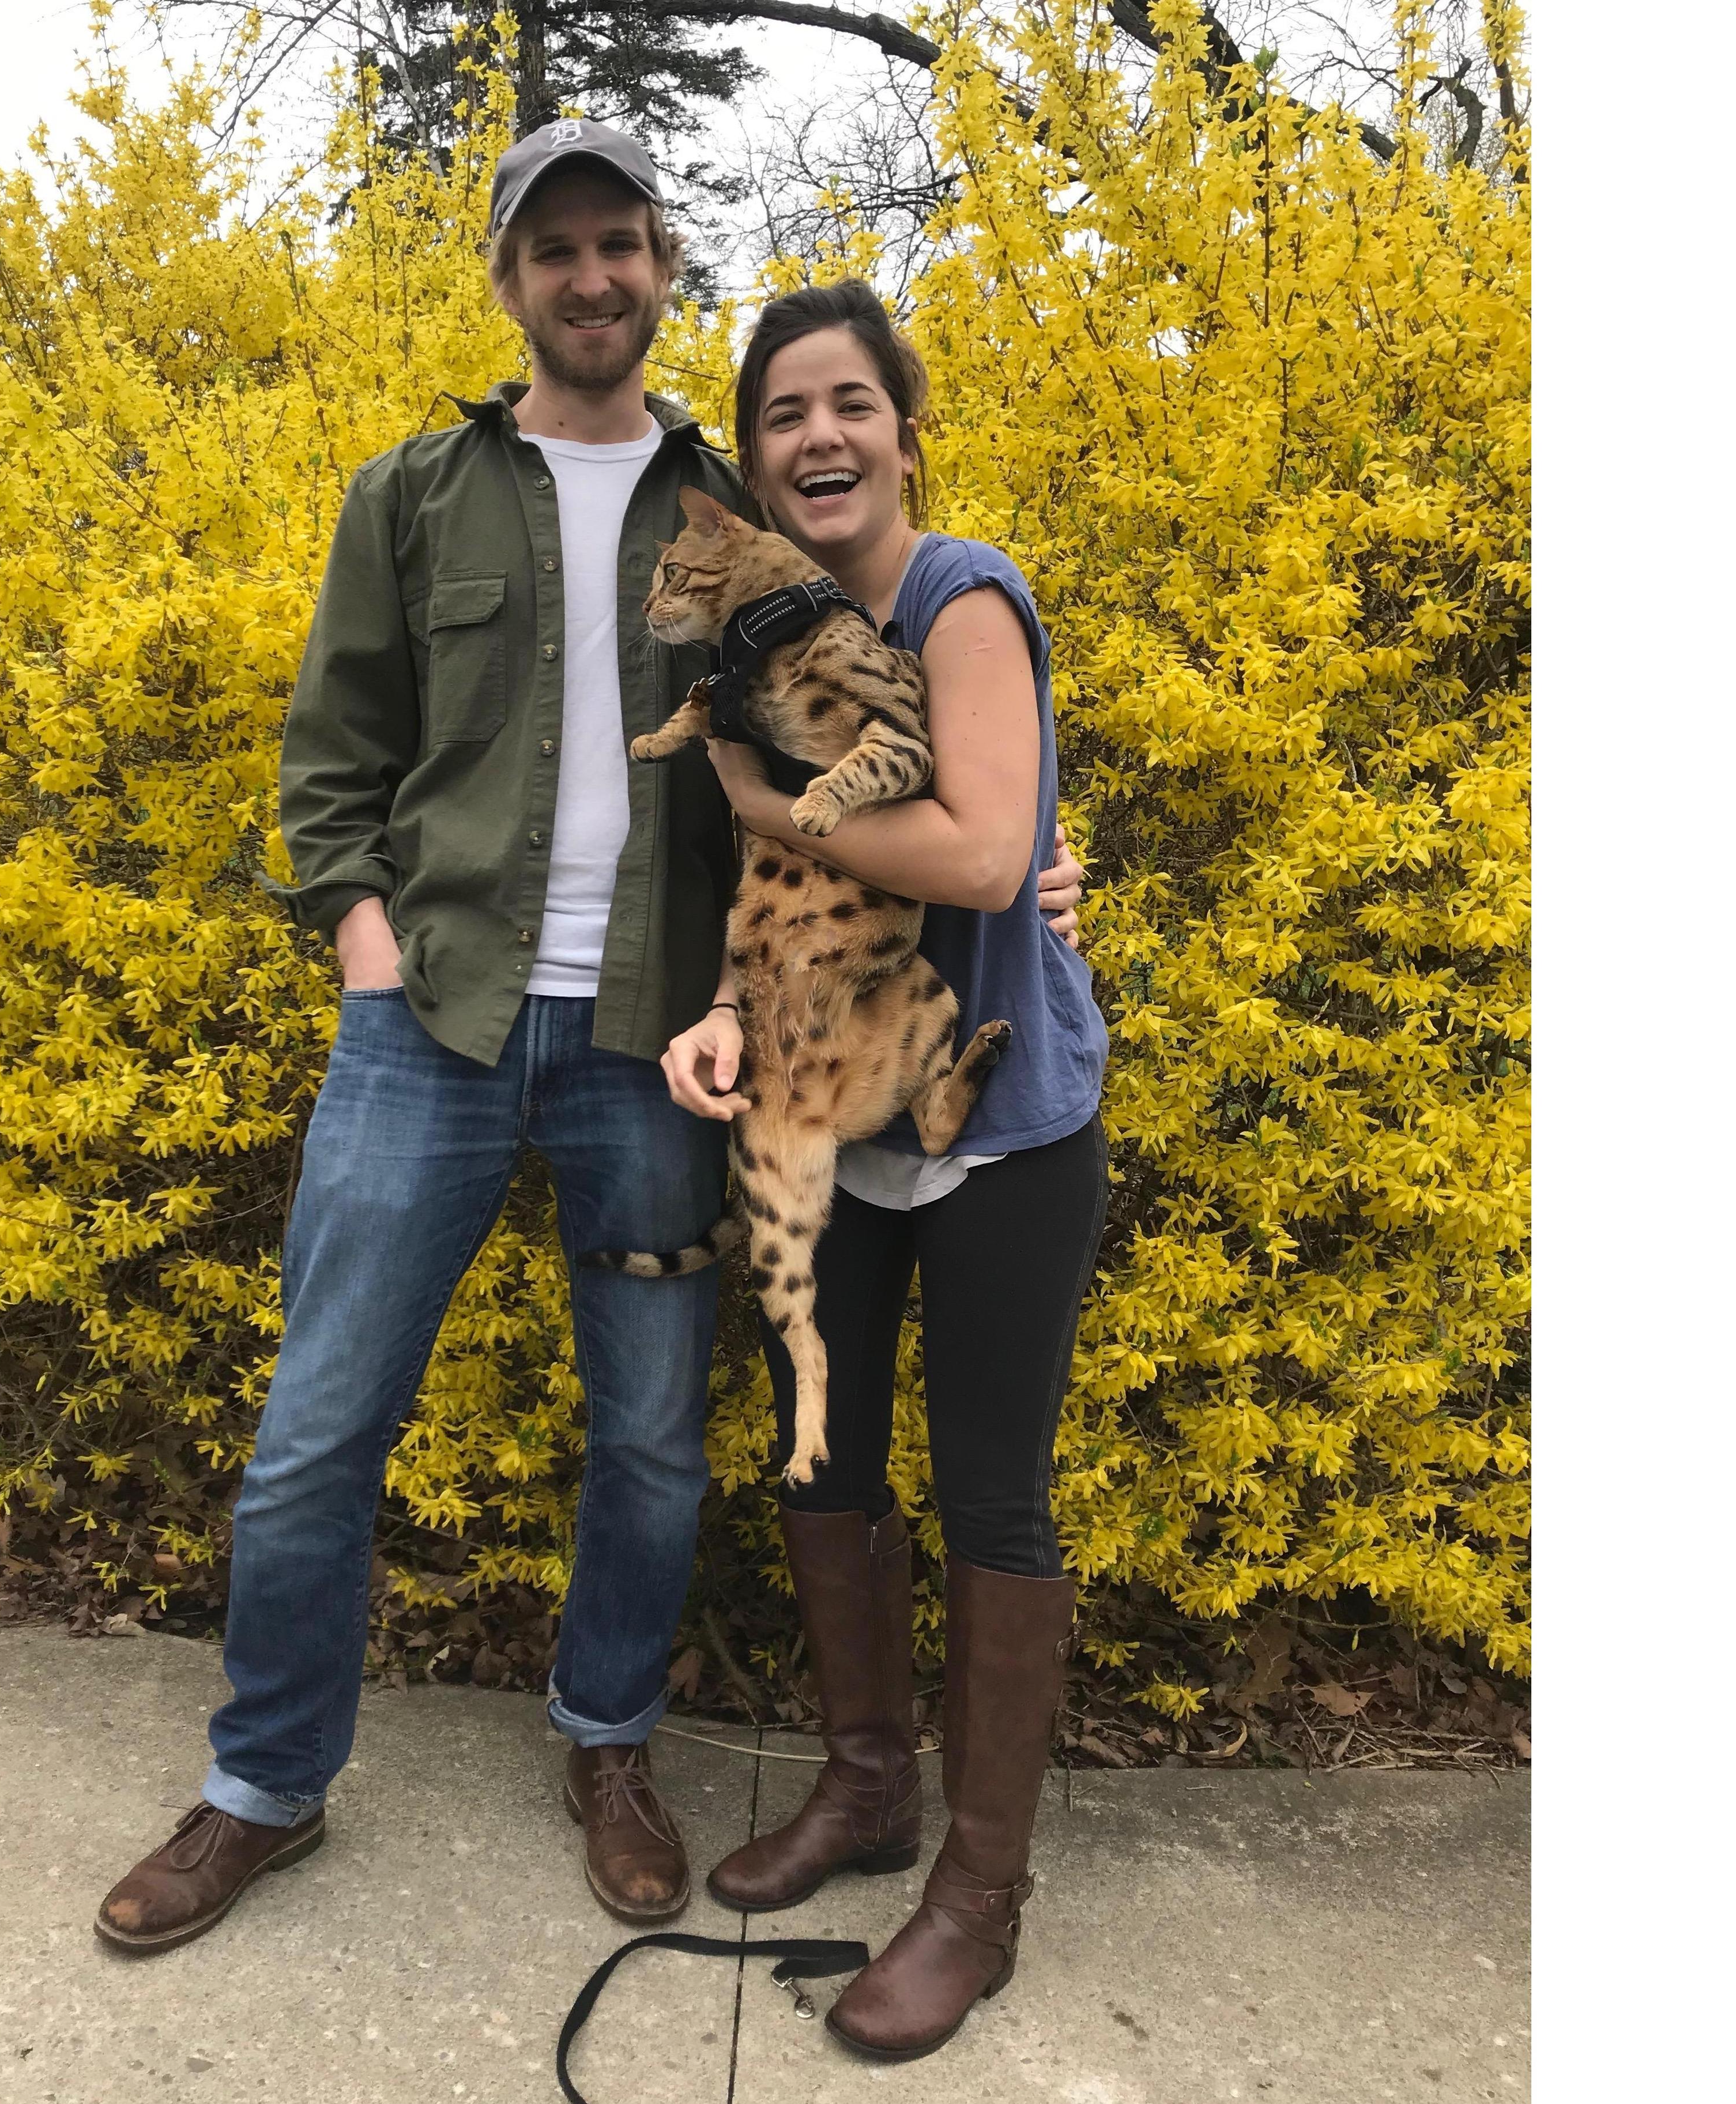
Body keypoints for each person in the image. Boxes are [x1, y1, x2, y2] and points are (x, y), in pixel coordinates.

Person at [92, 123, 1085, 1956]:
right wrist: (367, 944)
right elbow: (329, 765)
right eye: (555, 247)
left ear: (659, 264)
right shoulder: (410, 495)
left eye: (621, 239)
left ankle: (609, 1746)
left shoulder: (746, 514)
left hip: (653, 1045)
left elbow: (878, 725)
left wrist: (1039, 862)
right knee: (319, 1429)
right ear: (509, 278)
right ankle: (261, 1787)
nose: (592, 275)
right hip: (433, 1029)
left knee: (646, 1441)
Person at [657, 278, 1112, 2061]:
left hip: (1003, 1126)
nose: (817, 436)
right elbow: (802, 901)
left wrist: (761, 796)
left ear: (901, 430)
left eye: (848, 402)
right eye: (781, 413)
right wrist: (713, 1006)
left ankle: (976, 1899)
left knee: (993, 1495)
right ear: (755, 459)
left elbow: (990, 854)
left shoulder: (959, 593)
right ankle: (867, 1784)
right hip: (829, 1101)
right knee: (824, 1451)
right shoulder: (770, 631)